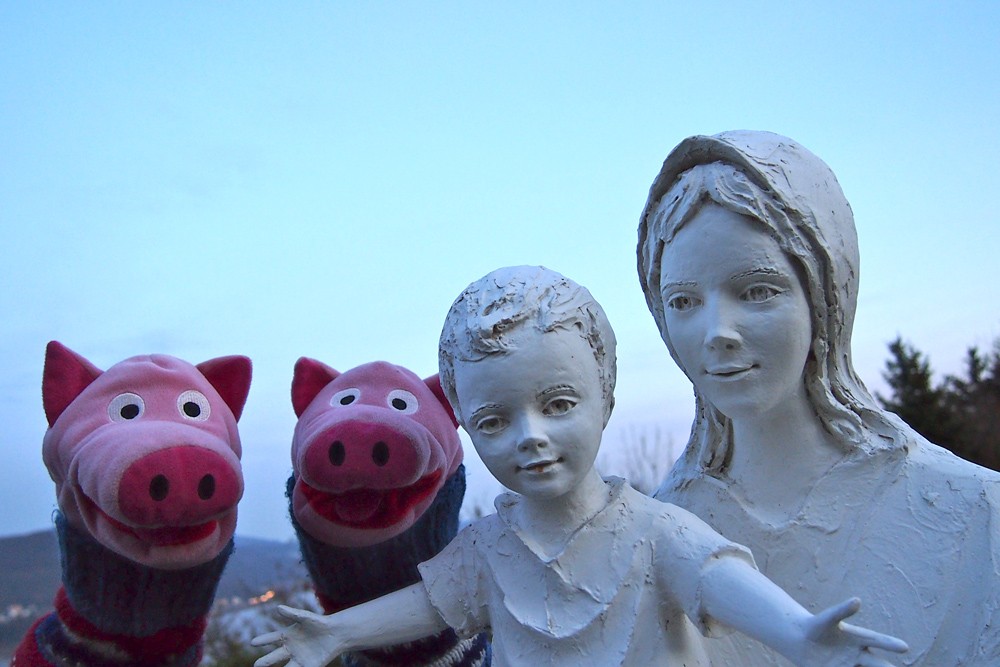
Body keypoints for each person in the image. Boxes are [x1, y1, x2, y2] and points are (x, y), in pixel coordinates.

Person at [253, 265, 906, 667]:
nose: (529, 438)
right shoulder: (488, 548)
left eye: (558, 403)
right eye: (493, 421)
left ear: (606, 395)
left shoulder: (651, 530)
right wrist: (336, 631)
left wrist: (797, 632)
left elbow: (716, 578)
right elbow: (432, 602)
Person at [638, 130, 1000, 666]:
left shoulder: (975, 516)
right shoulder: (653, 538)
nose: (717, 331)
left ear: (826, 295)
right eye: (684, 301)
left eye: (757, 291)